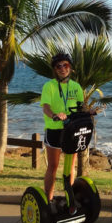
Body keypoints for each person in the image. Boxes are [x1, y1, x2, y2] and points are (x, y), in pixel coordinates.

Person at [40, 53, 85, 208]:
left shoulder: (76, 86)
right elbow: (45, 106)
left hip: (71, 130)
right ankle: (49, 200)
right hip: (54, 130)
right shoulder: (49, 86)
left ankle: (69, 198)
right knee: (53, 166)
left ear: (70, 68)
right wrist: (54, 115)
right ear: (54, 69)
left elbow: (81, 107)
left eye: (65, 65)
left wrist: (89, 112)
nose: (62, 69)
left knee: (70, 166)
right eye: (58, 66)